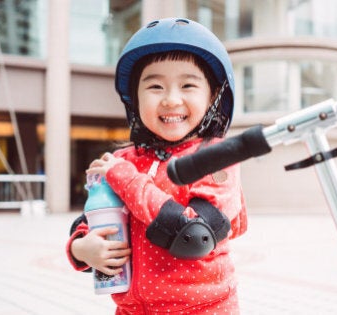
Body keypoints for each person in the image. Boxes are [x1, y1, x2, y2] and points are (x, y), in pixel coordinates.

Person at [66, 17, 247, 314]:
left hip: (203, 309)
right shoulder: (122, 160)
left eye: (188, 85)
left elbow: (194, 237)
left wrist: (125, 179)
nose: (171, 99)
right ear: (135, 98)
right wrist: (81, 249)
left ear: (213, 95)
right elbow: (89, 223)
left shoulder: (217, 157)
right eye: (155, 86)